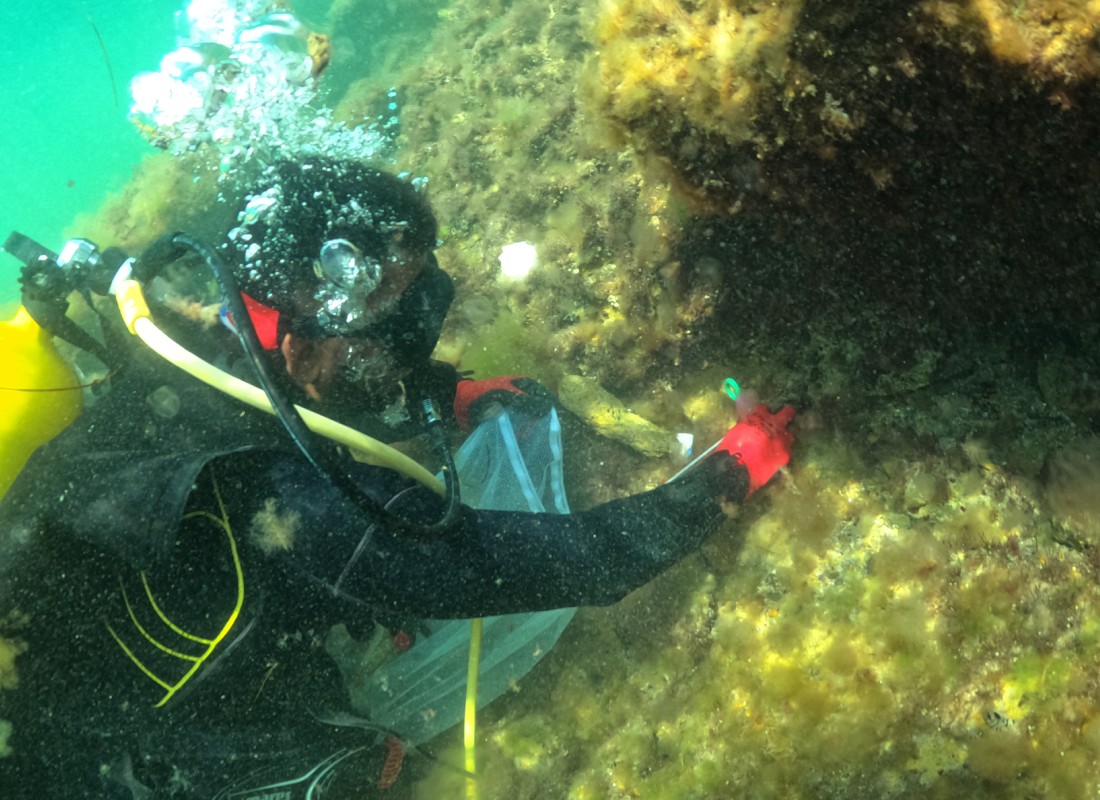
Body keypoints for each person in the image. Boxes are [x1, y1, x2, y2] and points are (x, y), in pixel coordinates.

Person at [0, 157, 795, 798]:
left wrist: (445, 393)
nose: (406, 344)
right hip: (82, 767)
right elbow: (583, 560)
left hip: (64, 626)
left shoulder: (192, 342)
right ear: (303, 327)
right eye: (391, 322)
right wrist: (729, 472)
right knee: (350, 765)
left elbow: (327, 380)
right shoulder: (296, 510)